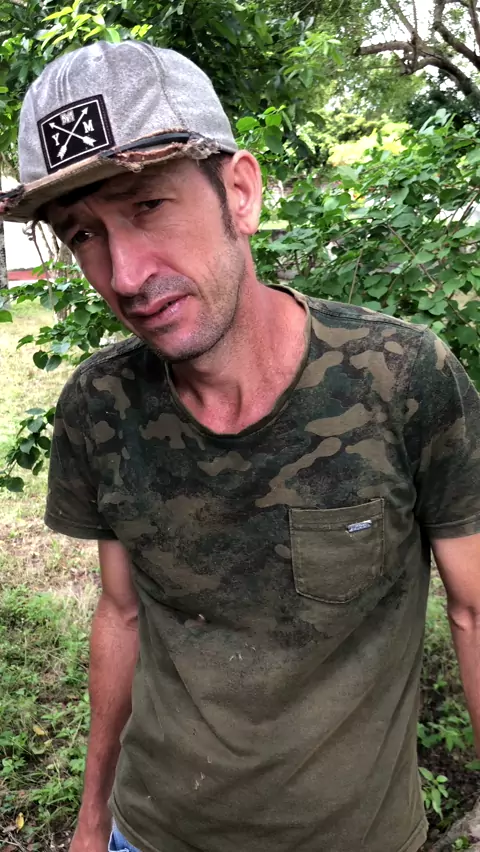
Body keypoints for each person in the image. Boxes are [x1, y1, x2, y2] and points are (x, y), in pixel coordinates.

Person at [2, 38, 480, 852]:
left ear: (241, 193)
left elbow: (473, 610)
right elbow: (121, 612)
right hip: (151, 832)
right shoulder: (100, 406)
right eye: (82, 234)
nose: (124, 274)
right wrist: (91, 822)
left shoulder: (401, 377)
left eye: (147, 206)